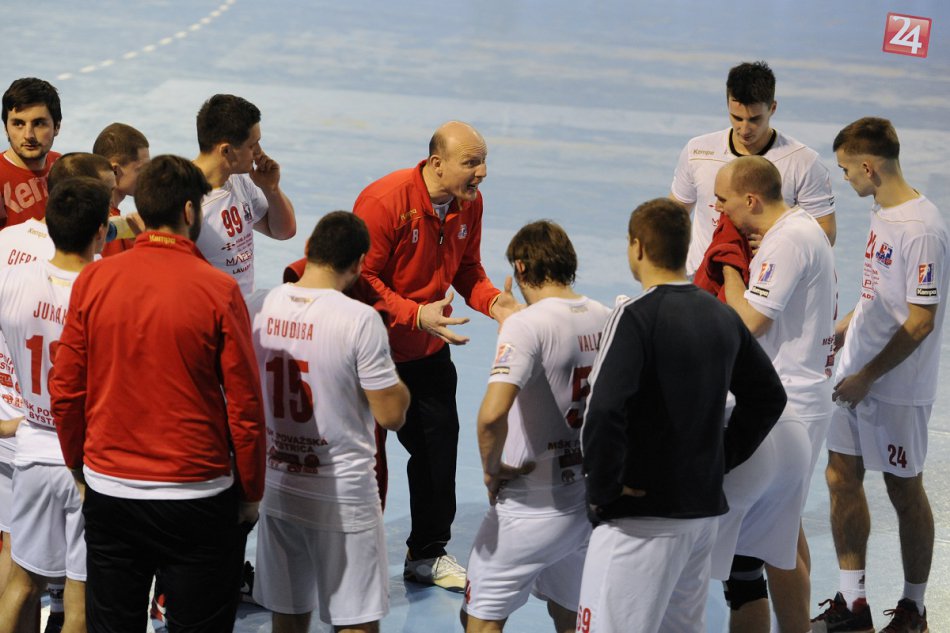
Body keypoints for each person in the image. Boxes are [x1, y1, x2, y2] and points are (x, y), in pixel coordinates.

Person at [49, 155, 266, 633]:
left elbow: (65, 389)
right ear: (189, 211)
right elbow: (245, 405)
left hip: (111, 489)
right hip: (197, 493)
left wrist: (78, 466)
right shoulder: (219, 289)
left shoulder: (94, 279)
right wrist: (251, 490)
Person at [577, 198, 786, 633]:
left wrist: (604, 488)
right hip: (701, 515)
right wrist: (721, 457)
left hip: (641, 519)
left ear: (637, 247)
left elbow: (604, 410)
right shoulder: (722, 316)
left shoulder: (635, 317)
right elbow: (768, 396)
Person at [353, 121, 519, 591]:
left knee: (437, 454)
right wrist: (413, 314)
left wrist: (494, 303)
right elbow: (361, 278)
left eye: (483, 162)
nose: (481, 172)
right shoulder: (384, 202)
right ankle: (351, 554)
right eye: (472, 162)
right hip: (372, 351)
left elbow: (467, 269)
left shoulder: (470, 202)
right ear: (437, 163)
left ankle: (426, 553)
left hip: (428, 348)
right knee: (363, 463)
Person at [811, 117, 948, 633]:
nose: (845, 178)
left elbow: (920, 321)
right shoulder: (883, 211)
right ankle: (854, 605)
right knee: (840, 476)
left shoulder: (923, 230)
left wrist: (868, 375)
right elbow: (878, 294)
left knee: (903, 491)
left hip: (896, 389)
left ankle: (913, 610)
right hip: (856, 375)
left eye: (847, 169)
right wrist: (843, 330)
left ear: (868, 167)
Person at [247, 211, 410, 633]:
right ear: (358, 265)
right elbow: (391, 415)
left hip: (279, 485)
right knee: (356, 622)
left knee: (287, 617)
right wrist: (400, 387)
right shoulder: (358, 319)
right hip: (342, 494)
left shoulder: (260, 304)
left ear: (307, 250)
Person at [460, 221, 611, 633]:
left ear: (521, 268)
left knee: (479, 619)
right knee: (571, 615)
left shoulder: (526, 326)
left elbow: (492, 416)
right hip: (583, 501)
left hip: (528, 507)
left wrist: (492, 469)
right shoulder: (605, 316)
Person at [714, 156, 836, 632]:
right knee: (784, 537)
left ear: (750, 199)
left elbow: (750, 321)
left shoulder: (787, 241)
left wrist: (729, 266)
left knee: (773, 546)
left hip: (788, 403)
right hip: (798, 397)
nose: (719, 211)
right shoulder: (797, 231)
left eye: (724, 201)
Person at [0, 152, 116, 633]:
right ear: (100, 233)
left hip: (30, 448)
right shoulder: (108, 288)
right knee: (80, 600)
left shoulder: (13, 278)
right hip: (88, 459)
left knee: (21, 583)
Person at [670, 60, 836, 277]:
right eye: (736, 118)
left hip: (766, 282)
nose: (744, 129)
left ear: (772, 108)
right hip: (701, 281)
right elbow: (675, 213)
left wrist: (779, 241)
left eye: (754, 119)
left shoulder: (804, 161)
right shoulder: (697, 151)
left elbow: (826, 232)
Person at [192, 94, 296, 295]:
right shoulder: (185, 199)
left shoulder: (238, 181)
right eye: (252, 145)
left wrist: (271, 189)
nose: (259, 153)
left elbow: (284, 232)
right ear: (226, 150)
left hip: (242, 305)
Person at [1, 78, 62, 228]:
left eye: (38, 123)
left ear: (57, 126)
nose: (29, 135)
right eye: (18, 124)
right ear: (6, 128)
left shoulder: (61, 166)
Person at [92, 122, 151, 256]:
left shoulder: (102, 217)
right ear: (115, 170)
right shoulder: (111, 230)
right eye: (141, 169)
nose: (148, 176)